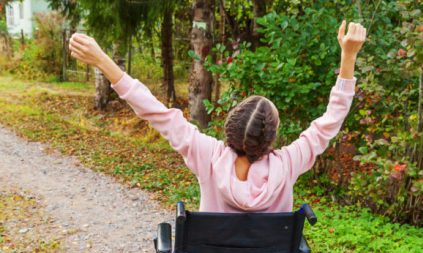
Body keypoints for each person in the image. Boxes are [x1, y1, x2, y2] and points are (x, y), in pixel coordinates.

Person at [69, 20, 366, 213]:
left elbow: (152, 109)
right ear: (271, 137)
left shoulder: (207, 155)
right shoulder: (288, 163)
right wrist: (348, 57)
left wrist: (102, 60)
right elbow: (332, 118)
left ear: (230, 127)